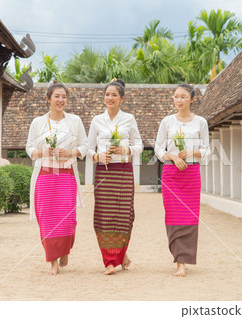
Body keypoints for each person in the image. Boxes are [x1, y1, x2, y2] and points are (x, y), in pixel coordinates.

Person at [26, 81, 88, 275]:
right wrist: (42, 152)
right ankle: (52, 261)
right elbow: (29, 148)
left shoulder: (75, 121)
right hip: (45, 176)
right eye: (57, 96)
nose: (61, 100)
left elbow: (85, 146)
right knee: (47, 219)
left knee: (68, 219)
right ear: (48, 99)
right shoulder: (38, 122)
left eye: (64, 97)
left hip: (66, 176)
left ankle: (65, 250)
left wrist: (70, 152)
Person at [87, 79, 143, 275]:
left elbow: (140, 146)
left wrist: (125, 149)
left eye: (114, 95)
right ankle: (111, 261)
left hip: (124, 172)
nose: (109, 98)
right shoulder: (97, 120)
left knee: (125, 215)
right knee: (104, 216)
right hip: (104, 172)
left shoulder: (129, 119)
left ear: (122, 99)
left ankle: (121, 252)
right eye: (107, 94)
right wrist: (97, 156)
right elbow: (87, 147)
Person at [154, 83, 210, 277]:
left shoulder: (201, 122)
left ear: (192, 99)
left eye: (183, 97)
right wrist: (174, 157)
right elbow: (158, 149)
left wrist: (194, 152)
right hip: (171, 173)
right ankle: (179, 261)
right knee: (173, 215)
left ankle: (184, 260)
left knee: (189, 216)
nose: (179, 100)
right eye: (176, 96)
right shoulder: (167, 122)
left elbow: (207, 150)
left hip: (191, 174)